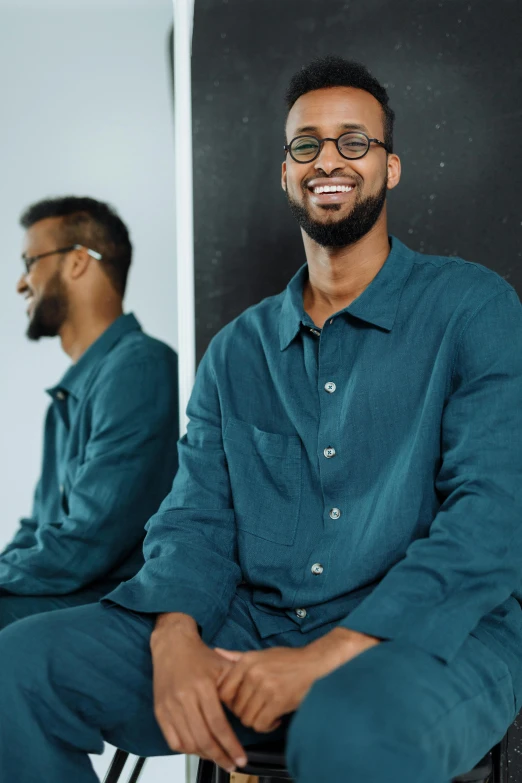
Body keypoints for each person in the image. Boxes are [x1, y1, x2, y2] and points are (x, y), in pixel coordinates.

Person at [0, 57, 521, 783]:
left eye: (354, 142)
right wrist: (174, 632)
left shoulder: (475, 308)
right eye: (306, 144)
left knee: (348, 728)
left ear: (391, 167)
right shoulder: (236, 351)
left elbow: (490, 521)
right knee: (17, 666)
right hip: (249, 629)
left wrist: (319, 661)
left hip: (434, 636)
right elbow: (194, 521)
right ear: (285, 172)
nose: (328, 159)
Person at [0, 196, 179, 629]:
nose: (22, 284)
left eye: (30, 262)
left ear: (78, 261)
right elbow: (38, 527)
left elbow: (85, 542)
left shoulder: (140, 368)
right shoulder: (68, 396)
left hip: (111, 604)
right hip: (70, 595)